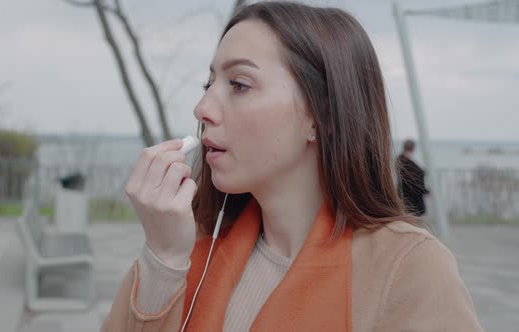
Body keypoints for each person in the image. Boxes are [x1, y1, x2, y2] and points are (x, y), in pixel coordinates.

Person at [101, 2, 482, 331]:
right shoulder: (187, 247)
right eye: (209, 82)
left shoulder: (409, 269)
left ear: (321, 116)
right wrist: (164, 259)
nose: (202, 109)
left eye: (239, 84)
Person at [396, 139, 431, 216]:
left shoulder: (401, 160)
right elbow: (413, 179)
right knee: (413, 212)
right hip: (410, 193)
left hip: (407, 192)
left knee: (409, 213)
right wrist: (425, 191)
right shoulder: (404, 161)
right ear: (413, 148)